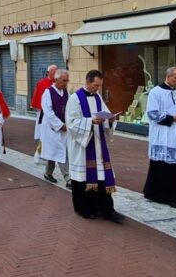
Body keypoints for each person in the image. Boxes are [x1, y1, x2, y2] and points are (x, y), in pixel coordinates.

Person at [66, 70, 125, 224]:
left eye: (99, 86)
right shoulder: (75, 99)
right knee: (83, 179)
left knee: (102, 178)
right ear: (87, 81)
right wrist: (91, 121)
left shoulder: (98, 97)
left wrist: (110, 119)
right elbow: (71, 123)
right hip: (83, 146)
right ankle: (85, 209)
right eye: (95, 85)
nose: (97, 89)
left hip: (98, 145)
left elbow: (104, 114)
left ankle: (107, 209)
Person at [143, 67, 176, 208]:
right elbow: (152, 113)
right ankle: (156, 194)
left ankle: (173, 195)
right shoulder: (156, 92)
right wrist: (172, 118)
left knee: (175, 167)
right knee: (160, 166)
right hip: (162, 134)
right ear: (168, 76)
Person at [40, 69, 71, 188]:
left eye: (67, 80)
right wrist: (59, 125)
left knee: (58, 152)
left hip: (65, 127)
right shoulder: (48, 92)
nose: (66, 83)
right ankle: (68, 179)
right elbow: (48, 112)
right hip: (52, 129)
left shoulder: (66, 92)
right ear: (56, 79)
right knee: (58, 152)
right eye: (64, 80)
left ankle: (48, 173)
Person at [32, 64, 58, 163]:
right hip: (44, 114)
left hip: (56, 114)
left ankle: (50, 156)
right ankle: (38, 155)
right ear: (49, 72)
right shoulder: (42, 83)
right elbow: (38, 98)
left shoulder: (58, 83)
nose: (56, 73)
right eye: (54, 72)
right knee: (44, 135)